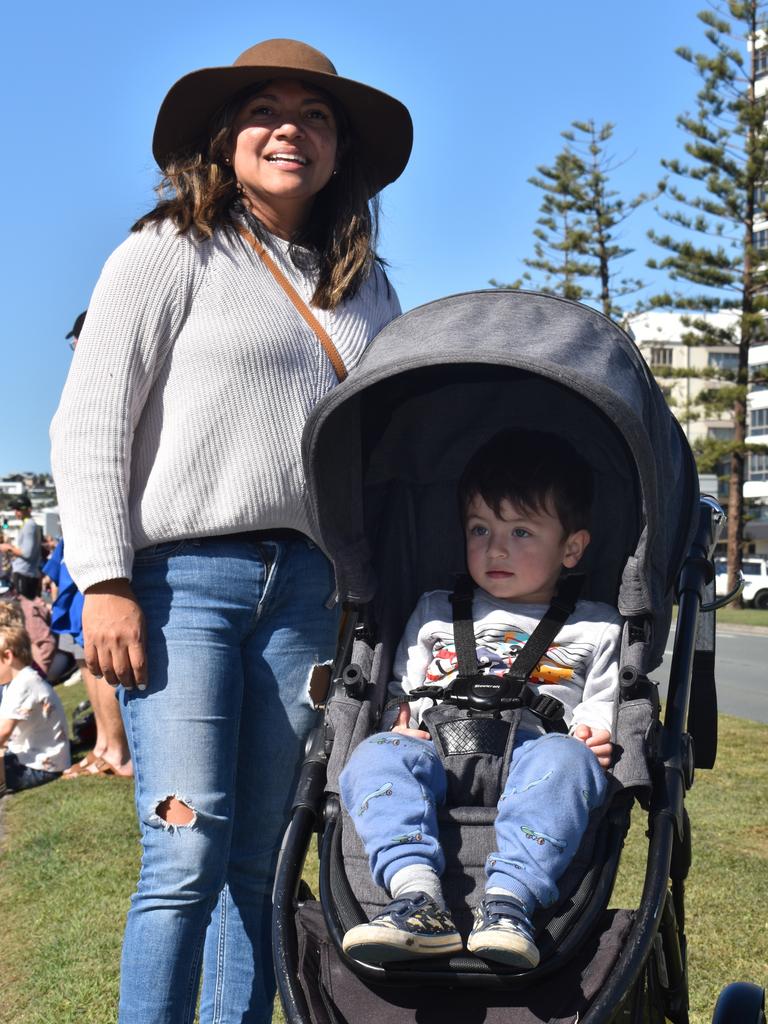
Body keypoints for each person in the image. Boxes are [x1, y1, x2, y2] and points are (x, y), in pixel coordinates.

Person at [50, 38, 411, 1024]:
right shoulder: (166, 251)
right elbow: (89, 421)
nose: (291, 129)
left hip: (309, 590)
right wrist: (106, 580)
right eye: (267, 109)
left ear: (341, 151)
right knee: (184, 852)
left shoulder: (368, 291)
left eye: (317, 115)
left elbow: (388, 451)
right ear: (228, 135)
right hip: (181, 584)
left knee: (264, 859)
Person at [339, 429, 621, 969]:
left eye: (520, 531)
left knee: (570, 760)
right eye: (479, 529)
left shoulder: (598, 627)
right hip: (436, 750)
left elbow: (601, 709)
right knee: (372, 754)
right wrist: (398, 728)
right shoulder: (434, 612)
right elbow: (402, 689)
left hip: (535, 755)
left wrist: (590, 739)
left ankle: (510, 904)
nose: (495, 548)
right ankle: (415, 896)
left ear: (572, 547)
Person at [44, 536, 132, 777]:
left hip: (92, 572)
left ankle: (117, 750)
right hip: (76, 576)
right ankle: (103, 745)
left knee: (100, 660)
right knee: (86, 659)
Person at [0, 607, 71, 794]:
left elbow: (3, 733)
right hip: (33, 757)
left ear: (8, 657)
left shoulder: (23, 684)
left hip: (42, 767)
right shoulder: (22, 679)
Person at [0, 496, 43, 598]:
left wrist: (8, 548)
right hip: (28, 572)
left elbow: (26, 553)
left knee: (24, 606)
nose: (16, 512)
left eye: (18, 509)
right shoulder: (29, 524)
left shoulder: (29, 525)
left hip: (25, 572)